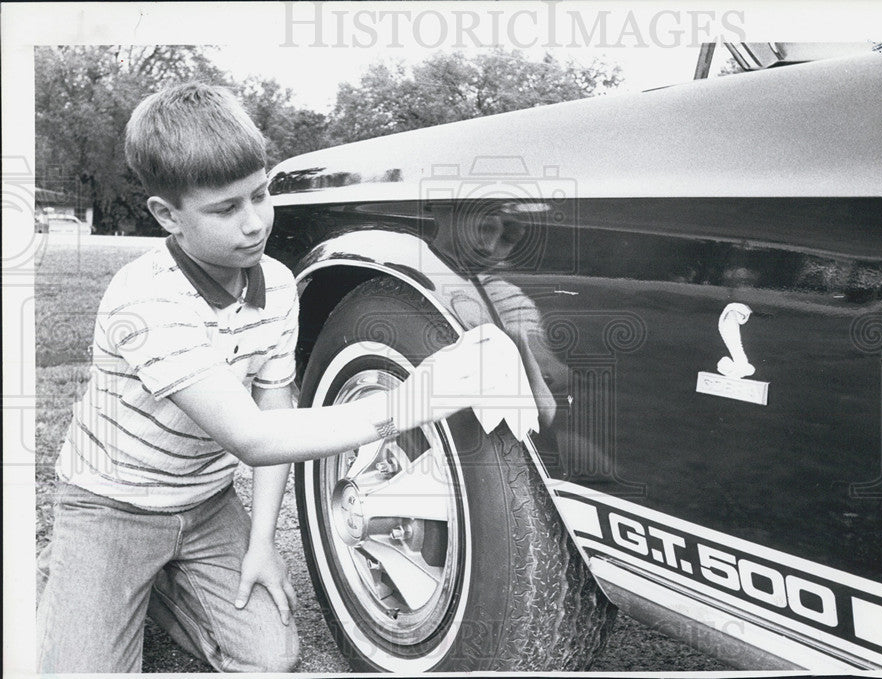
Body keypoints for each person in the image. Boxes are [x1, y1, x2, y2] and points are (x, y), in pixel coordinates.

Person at [36, 82, 520, 673]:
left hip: (207, 504)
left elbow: (277, 411)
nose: (253, 224)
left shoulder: (280, 286)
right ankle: (85, 572)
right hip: (111, 504)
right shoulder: (145, 299)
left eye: (260, 195)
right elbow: (252, 438)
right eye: (224, 209)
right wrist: (420, 398)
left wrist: (262, 541)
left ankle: (159, 586)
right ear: (168, 215)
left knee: (272, 659)